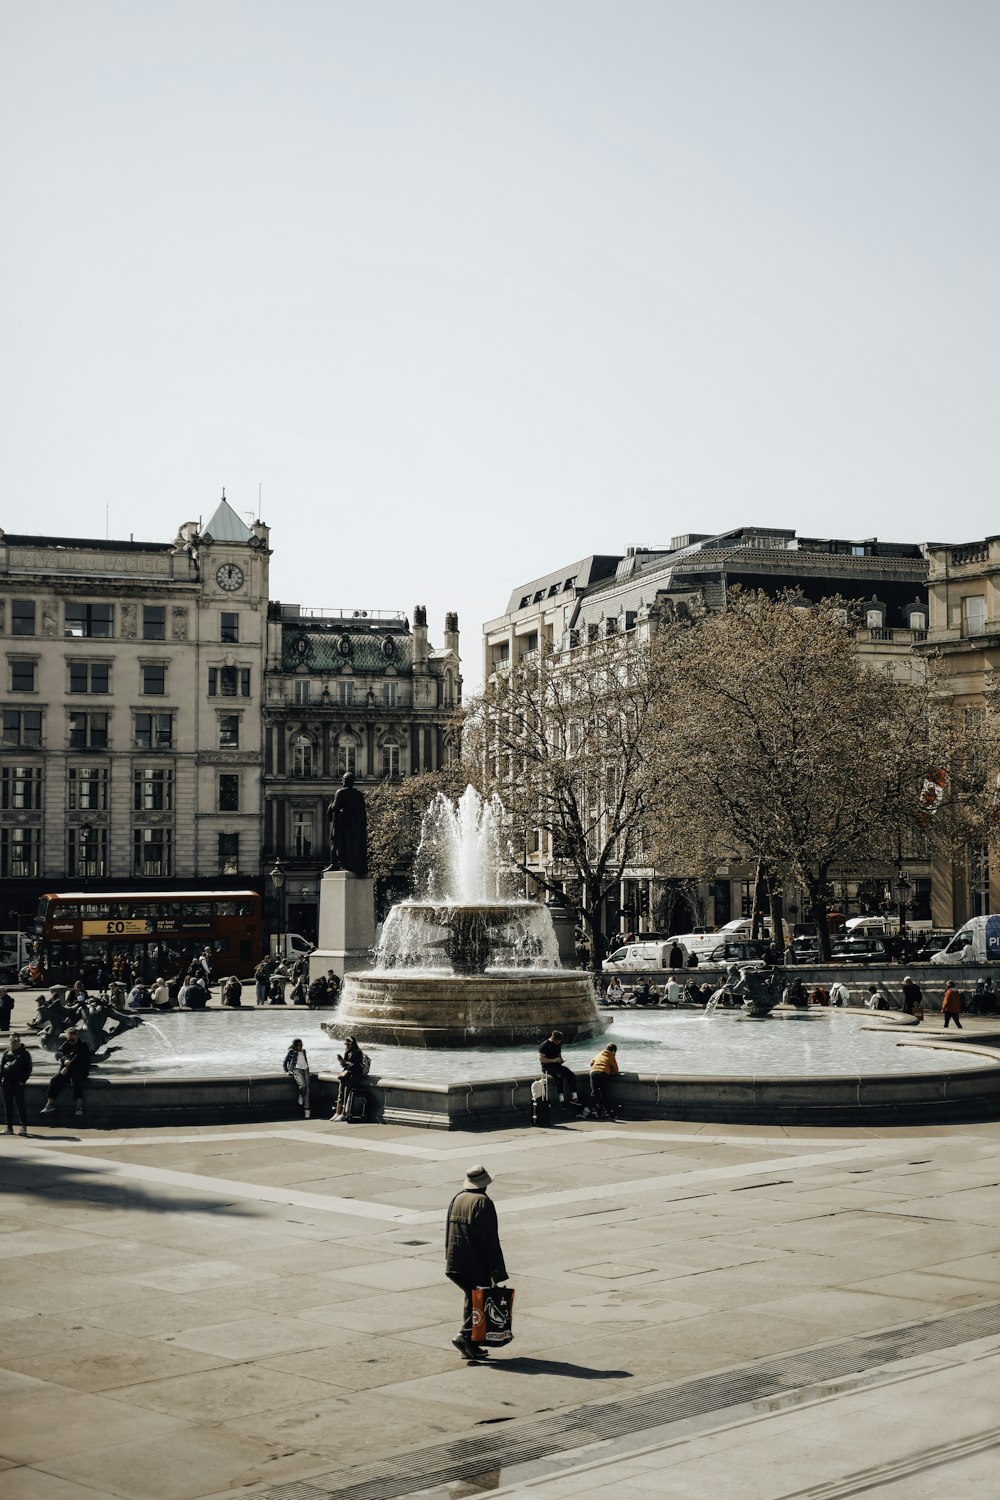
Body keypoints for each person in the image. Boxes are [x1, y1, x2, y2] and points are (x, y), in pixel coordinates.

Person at [445, 1164, 508, 1362]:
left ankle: (470, 1343)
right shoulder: (483, 1202)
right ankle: (464, 1336)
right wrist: (497, 1272)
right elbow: (489, 1240)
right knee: (478, 1299)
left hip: (455, 1261)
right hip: (474, 1263)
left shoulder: (458, 1198)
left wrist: (448, 1257)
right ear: (485, 1184)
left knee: (471, 1297)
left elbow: (448, 1230)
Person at [40, 1027, 91, 1119]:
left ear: (77, 1035)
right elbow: (59, 1053)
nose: (70, 1040)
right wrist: (65, 1059)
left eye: (72, 1038)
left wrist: (67, 1066)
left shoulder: (83, 1045)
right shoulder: (67, 1043)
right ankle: (49, 1105)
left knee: (76, 1081)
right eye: (69, 1037)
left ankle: (79, 1107)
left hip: (80, 1070)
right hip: (67, 1070)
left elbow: (78, 1058)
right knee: (54, 1080)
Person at [327, 771, 369, 876]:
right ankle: (354, 864)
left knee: (335, 843)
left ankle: (334, 864)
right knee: (353, 845)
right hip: (355, 826)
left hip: (342, 824)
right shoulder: (359, 795)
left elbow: (336, 807)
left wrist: (330, 807)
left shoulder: (340, 792)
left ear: (344, 781)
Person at [1, 1032, 31, 1135]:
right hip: (6, 1084)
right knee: (8, 1106)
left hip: (18, 1084)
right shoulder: (6, 1053)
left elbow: (28, 1069)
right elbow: (1, 1068)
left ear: (19, 1041)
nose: (13, 1043)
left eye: (15, 1041)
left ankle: (23, 1127)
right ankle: (9, 1127)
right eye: (11, 1041)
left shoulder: (25, 1054)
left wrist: (22, 1081)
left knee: (20, 1105)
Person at [538, 1030, 579, 1104]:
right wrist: (553, 1060)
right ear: (553, 1039)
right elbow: (541, 1059)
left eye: (560, 1041)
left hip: (557, 1065)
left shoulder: (558, 1044)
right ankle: (561, 1099)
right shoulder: (544, 1045)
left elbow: (559, 1055)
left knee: (571, 1075)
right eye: (557, 1041)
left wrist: (560, 1060)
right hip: (547, 1067)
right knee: (559, 1077)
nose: (559, 1042)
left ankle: (574, 1097)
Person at [331, 1036, 366, 1120]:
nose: (347, 1046)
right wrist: (341, 1061)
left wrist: (344, 1062)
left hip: (355, 1074)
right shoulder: (347, 1052)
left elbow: (355, 1065)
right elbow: (344, 1065)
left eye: (348, 1044)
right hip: (347, 1073)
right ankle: (337, 1112)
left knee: (347, 1092)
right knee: (340, 1092)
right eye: (345, 1044)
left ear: (353, 1044)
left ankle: (344, 1113)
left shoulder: (358, 1052)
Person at [587, 1042, 619, 1118]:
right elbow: (616, 1069)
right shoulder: (611, 1056)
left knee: (594, 1092)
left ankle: (594, 1111)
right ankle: (606, 1111)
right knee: (603, 1092)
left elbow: (591, 1063)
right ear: (613, 1051)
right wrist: (609, 1071)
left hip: (593, 1073)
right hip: (603, 1073)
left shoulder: (599, 1054)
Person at [283, 1037, 311, 1117]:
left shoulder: (304, 1051)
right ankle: (301, 1095)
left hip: (305, 1069)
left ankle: (307, 1110)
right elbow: (285, 1062)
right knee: (302, 1085)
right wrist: (286, 1071)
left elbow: (305, 1061)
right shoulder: (291, 1051)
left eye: (301, 1045)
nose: (300, 1046)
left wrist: (308, 1070)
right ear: (294, 1046)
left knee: (307, 1089)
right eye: (299, 1045)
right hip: (296, 1069)